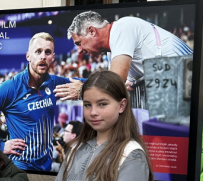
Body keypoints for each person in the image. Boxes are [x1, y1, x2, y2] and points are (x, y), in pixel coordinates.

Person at [0, 32, 83, 171]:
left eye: (47, 52)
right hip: (20, 167)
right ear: (28, 56)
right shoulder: (11, 87)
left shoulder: (55, 83)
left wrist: (83, 88)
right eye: (38, 51)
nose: (43, 56)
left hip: (46, 167)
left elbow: (94, 83)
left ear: (52, 57)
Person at [62, 10, 193, 108]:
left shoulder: (122, 27)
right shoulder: (112, 51)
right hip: (181, 84)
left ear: (92, 31)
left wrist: (83, 90)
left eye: (79, 43)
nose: (79, 51)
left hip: (192, 81)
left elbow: (114, 82)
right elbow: (118, 87)